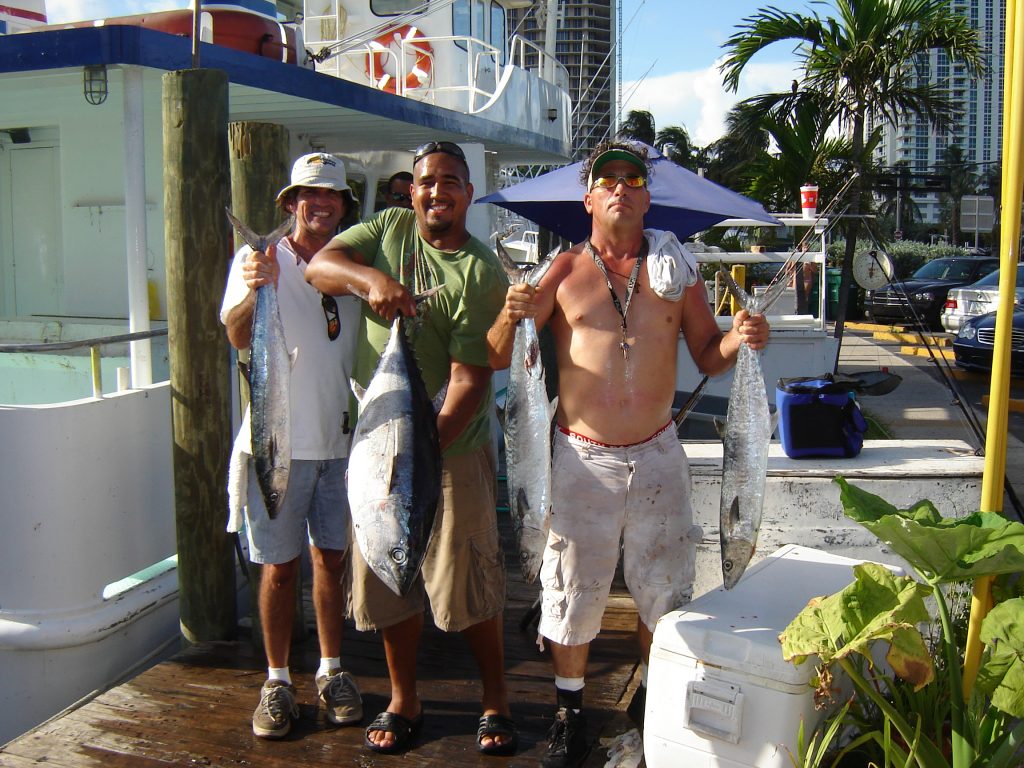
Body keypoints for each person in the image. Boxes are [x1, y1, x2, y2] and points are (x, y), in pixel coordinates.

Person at [485, 140, 770, 768]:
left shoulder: (677, 271)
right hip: (578, 457)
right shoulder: (559, 271)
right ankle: (569, 713)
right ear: (588, 197)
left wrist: (742, 337)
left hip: (659, 455)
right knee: (570, 590)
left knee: (663, 588)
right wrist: (511, 316)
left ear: (647, 196)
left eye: (632, 179)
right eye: (607, 179)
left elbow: (706, 357)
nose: (620, 188)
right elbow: (493, 351)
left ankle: (650, 706)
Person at [305, 140, 517, 756]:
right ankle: (404, 699)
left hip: (452, 447)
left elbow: (471, 380)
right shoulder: (390, 228)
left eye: (451, 182)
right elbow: (322, 266)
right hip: (380, 449)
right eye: (427, 181)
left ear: (467, 195)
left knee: (466, 584)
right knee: (386, 577)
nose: (436, 192)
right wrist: (372, 279)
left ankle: (495, 699)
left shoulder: (479, 272)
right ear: (414, 188)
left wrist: (418, 452)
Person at [221, 152, 363, 740]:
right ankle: (277, 680)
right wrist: (258, 288)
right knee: (278, 569)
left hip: (340, 443)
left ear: (343, 205)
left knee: (332, 560)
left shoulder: (351, 259)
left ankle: (332, 671)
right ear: (290, 203)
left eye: (331, 195)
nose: (321, 203)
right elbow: (235, 335)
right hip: (276, 441)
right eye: (310, 194)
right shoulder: (258, 258)